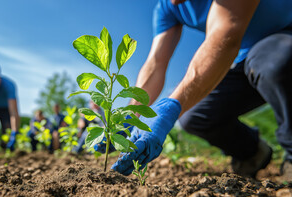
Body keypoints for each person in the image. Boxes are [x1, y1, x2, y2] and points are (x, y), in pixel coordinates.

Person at [105, 0, 292, 180]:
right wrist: (130, 113)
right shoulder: (168, 7)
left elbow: (225, 39)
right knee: (193, 115)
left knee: (274, 64)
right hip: (243, 58)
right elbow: (155, 65)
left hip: (283, 38)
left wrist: (168, 108)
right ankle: (253, 153)